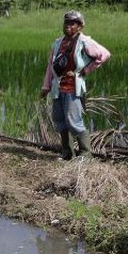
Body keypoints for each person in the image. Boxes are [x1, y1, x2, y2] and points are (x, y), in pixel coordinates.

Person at [40, 10, 111, 160]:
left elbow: (104, 54)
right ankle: (67, 153)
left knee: (74, 121)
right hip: (57, 88)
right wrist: (45, 87)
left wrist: (85, 70)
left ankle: (86, 154)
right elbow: (50, 67)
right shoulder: (57, 43)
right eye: (67, 23)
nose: (68, 26)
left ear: (80, 26)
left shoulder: (85, 42)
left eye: (73, 23)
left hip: (73, 88)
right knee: (60, 121)